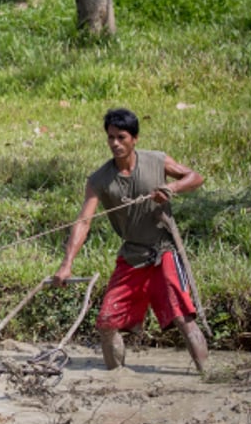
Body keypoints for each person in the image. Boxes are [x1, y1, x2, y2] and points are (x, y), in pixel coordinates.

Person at [51, 107, 208, 372]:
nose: (115, 143)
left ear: (134, 138)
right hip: (132, 255)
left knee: (183, 318)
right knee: (107, 323)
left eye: (121, 137)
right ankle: (116, 381)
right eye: (110, 137)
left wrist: (172, 187)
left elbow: (195, 177)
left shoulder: (156, 161)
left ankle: (208, 377)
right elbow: (83, 222)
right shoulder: (99, 179)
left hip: (163, 250)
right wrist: (67, 264)